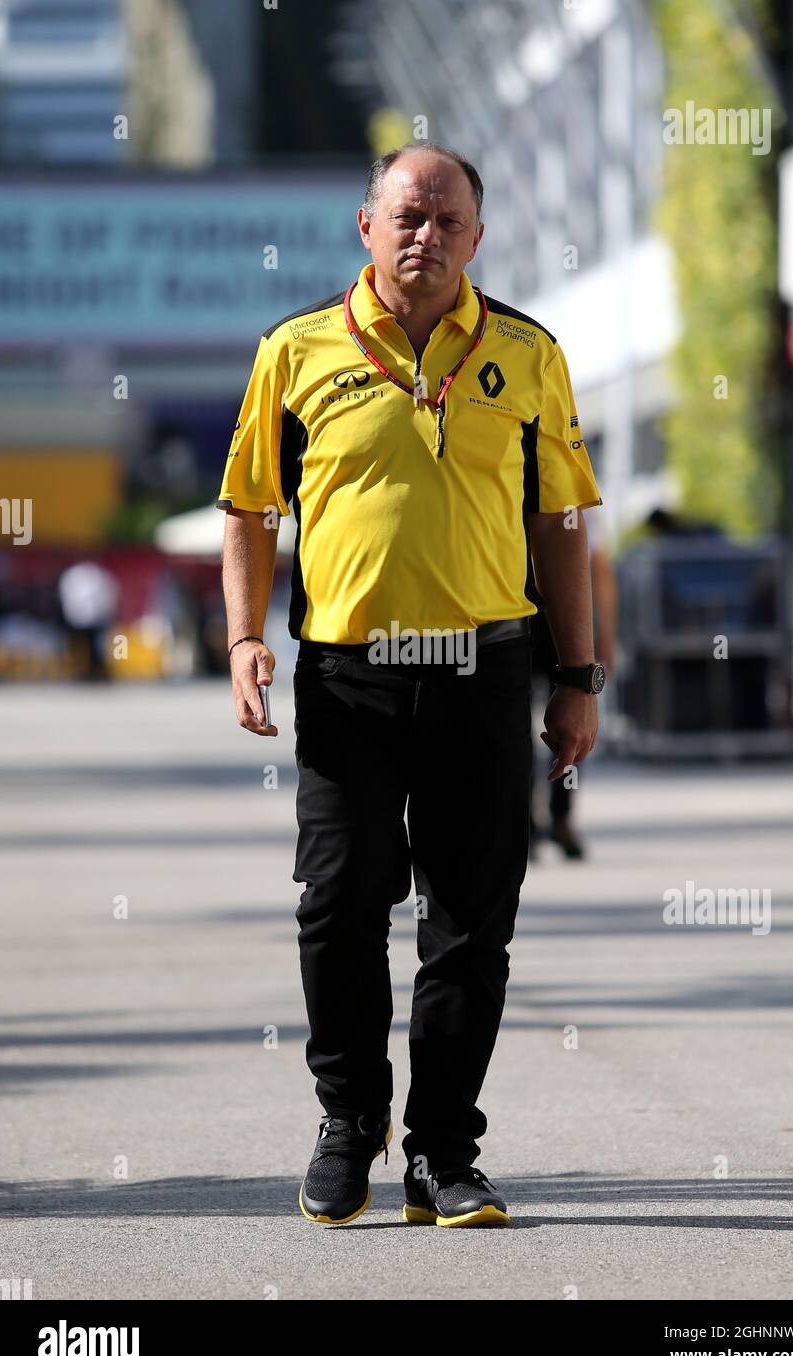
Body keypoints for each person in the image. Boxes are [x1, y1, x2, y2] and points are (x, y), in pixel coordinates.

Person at [217, 142, 604, 1228]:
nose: (424, 234)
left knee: (470, 923)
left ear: (477, 238)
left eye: (447, 220)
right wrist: (247, 637)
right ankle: (350, 1124)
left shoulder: (529, 355)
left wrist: (578, 675)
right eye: (406, 215)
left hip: (487, 671)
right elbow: (249, 511)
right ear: (366, 226)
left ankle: (443, 1153)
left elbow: (563, 522)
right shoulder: (294, 352)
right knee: (339, 904)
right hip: (351, 679)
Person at [529, 505, 618, 859]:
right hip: (541, 615)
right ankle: (547, 821)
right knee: (530, 729)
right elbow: (600, 569)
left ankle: (555, 818)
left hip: (548, 614)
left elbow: (597, 567)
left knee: (570, 727)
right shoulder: (567, 481)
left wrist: (604, 637)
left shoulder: (575, 496)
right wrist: (605, 634)